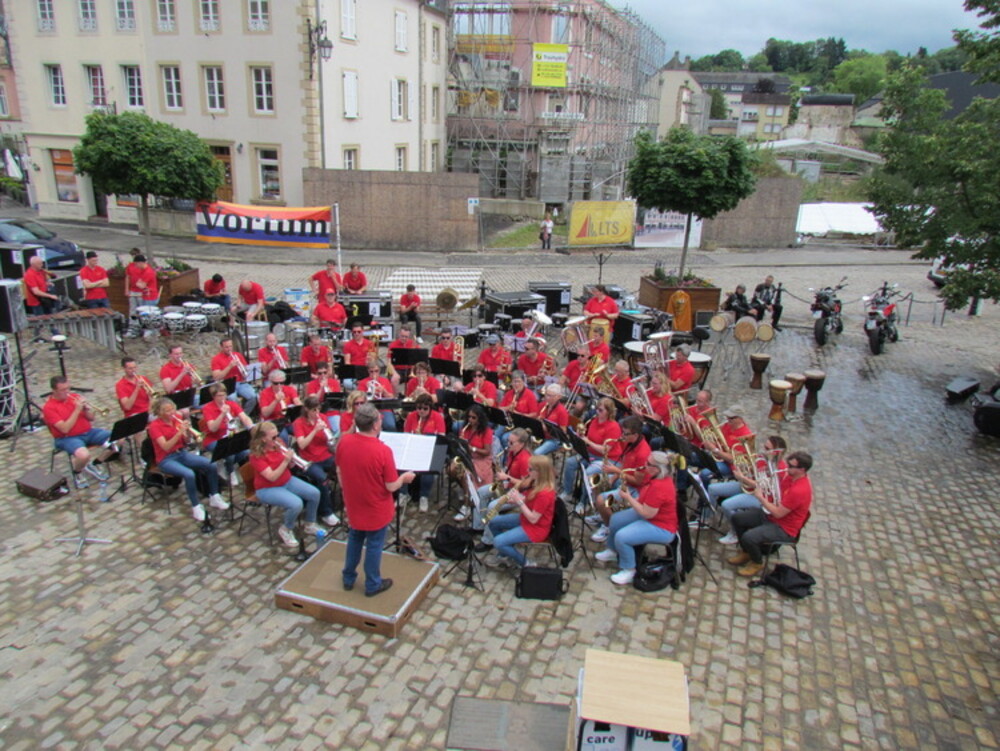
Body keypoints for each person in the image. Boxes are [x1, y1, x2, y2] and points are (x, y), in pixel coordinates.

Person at [336, 402, 416, 596]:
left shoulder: (344, 442)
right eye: (379, 419)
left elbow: (339, 470)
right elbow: (391, 486)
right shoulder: (382, 451)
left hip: (354, 501)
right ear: (374, 425)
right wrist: (404, 478)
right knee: (374, 545)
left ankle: (348, 577)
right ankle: (372, 584)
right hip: (375, 506)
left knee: (355, 538)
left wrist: (346, 491)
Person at [595, 451, 679, 586]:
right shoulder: (655, 477)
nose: (644, 464)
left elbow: (647, 514)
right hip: (649, 513)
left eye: (648, 463)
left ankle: (629, 569)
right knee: (616, 520)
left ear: (657, 469)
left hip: (660, 526)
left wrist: (628, 498)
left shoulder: (660, 487)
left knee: (622, 537)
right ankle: (612, 550)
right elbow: (644, 499)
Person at [728, 451, 813, 577]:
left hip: (784, 528)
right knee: (737, 518)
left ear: (802, 470)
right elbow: (773, 491)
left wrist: (761, 498)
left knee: (749, 537)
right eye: (788, 463)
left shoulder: (799, 490)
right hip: (771, 516)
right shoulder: (790, 477)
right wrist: (747, 480)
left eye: (791, 466)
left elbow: (778, 513)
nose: (787, 467)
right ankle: (747, 552)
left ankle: (757, 562)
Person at [147, 396, 227, 521]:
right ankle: (196, 507)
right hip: (166, 459)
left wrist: (188, 433)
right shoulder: (155, 426)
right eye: (167, 411)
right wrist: (179, 432)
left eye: (172, 409)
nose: (171, 413)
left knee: (211, 464)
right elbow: (165, 446)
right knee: (189, 474)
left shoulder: (176, 418)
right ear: (160, 413)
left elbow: (186, 442)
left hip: (181, 453)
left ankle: (214, 496)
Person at [249, 421, 322, 548]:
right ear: (263, 439)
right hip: (267, 488)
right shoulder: (256, 456)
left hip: (286, 480)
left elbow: (289, 466)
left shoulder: (278, 444)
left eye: (277, 435)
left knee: (314, 493)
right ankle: (286, 528)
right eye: (273, 437)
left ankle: (310, 524)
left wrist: (292, 461)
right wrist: (286, 461)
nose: (277, 439)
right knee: (296, 504)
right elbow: (271, 477)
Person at [485, 454, 557, 569]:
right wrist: (515, 499)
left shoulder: (545, 493)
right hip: (525, 519)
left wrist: (519, 501)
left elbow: (533, 519)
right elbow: (530, 501)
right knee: (493, 522)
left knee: (498, 542)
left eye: (530, 469)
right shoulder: (535, 482)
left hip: (536, 528)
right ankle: (505, 553)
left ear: (539, 472)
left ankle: (526, 563)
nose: (527, 471)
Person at [590, 415, 650, 543]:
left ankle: (609, 527)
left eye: (626, 434)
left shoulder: (643, 453)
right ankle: (602, 515)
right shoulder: (630, 443)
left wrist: (616, 471)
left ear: (635, 435)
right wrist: (613, 478)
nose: (622, 436)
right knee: (596, 484)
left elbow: (637, 481)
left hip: (635, 489)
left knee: (601, 500)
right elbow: (626, 465)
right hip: (624, 478)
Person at [717, 436, 788, 544]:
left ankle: (736, 532)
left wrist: (742, 478)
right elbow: (753, 474)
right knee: (713, 489)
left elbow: (763, 486)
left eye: (768, 449)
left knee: (726, 505)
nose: (764, 451)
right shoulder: (762, 459)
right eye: (765, 447)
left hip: (762, 498)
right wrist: (744, 467)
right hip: (749, 487)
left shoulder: (780, 469)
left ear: (776, 452)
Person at [43, 375, 112, 488]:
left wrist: (86, 410)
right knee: (84, 455)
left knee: (118, 438)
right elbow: (65, 429)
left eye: (68, 388)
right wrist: (76, 410)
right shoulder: (49, 408)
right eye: (63, 390)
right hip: (67, 438)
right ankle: (78, 472)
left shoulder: (75, 397)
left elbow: (91, 418)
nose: (67, 392)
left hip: (88, 432)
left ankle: (95, 463)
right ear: (54, 391)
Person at [476, 427, 532, 550]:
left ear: (522, 444)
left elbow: (526, 484)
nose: (508, 445)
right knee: (481, 492)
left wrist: (507, 478)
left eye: (511, 442)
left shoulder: (525, 459)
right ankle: (479, 526)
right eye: (508, 441)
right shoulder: (512, 452)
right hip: (508, 486)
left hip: (520, 494)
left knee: (492, 506)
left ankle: (488, 540)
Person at [559, 396, 622, 505]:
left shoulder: (614, 427)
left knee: (589, 473)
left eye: (601, 410)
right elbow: (589, 438)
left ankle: (583, 502)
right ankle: (567, 491)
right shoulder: (594, 420)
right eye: (597, 409)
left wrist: (588, 442)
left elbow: (605, 450)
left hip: (607, 459)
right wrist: (580, 438)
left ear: (609, 412)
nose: (597, 412)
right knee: (570, 463)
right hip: (591, 453)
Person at [292, 396, 341, 526]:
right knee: (322, 479)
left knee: (345, 466)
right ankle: (326, 513)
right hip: (310, 460)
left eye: (318, 409)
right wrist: (315, 430)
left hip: (325, 455)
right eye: (314, 410)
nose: (317, 413)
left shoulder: (323, 417)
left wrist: (327, 433)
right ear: (306, 409)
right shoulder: (299, 423)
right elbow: (301, 445)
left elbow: (329, 441)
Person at [201, 383, 254, 485]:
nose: (222, 398)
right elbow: (212, 428)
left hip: (230, 436)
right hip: (213, 439)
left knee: (246, 451)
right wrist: (222, 414)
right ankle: (230, 472)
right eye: (219, 396)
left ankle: (226, 464)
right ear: (213, 396)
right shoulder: (208, 408)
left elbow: (244, 417)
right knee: (229, 453)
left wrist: (251, 427)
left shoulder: (231, 404)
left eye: (224, 395)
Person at [401, 393, 446, 512]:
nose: (421, 411)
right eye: (419, 408)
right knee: (401, 462)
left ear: (430, 408)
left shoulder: (437, 417)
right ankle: (403, 493)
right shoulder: (411, 416)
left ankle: (424, 496)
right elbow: (406, 435)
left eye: (425, 408)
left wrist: (425, 437)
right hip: (414, 447)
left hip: (431, 449)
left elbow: (441, 437)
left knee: (430, 466)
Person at [456, 404, 494, 521]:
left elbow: (487, 451)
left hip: (481, 459)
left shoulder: (486, 431)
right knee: (452, 469)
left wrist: (472, 448)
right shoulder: (465, 429)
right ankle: (466, 490)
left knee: (465, 474)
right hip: (468, 457)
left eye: (473, 418)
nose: (470, 420)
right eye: (469, 417)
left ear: (479, 418)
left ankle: (467, 503)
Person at [210, 337, 256, 414]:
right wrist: (229, 366)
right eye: (226, 347)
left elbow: (246, 370)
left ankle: (244, 415)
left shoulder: (238, 355)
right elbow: (216, 377)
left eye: (230, 346)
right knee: (233, 399)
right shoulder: (216, 359)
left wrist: (244, 370)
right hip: (227, 384)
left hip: (240, 383)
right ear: (221, 347)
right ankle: (237, 416)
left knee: (253, 396)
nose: (229, 349)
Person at [305, 361, 343, 433]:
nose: (323, 375)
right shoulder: (311, 384)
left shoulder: (334, 382)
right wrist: (321, 388)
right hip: (317, 413)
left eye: (325, 373)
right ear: (316, 373)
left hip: (332, 412)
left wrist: (329, 390)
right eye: (320, 373)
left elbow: (336, 400)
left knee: (337, 431)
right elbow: (313, 401)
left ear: (328, 372)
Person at [535, 383, 569, 456]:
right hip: (541, 434)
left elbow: (563, 432)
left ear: (558, 397)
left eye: (550, 396)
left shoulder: (562, 411)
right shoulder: (542, 404)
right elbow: (535, 418)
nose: (547, 398)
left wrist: (546, 428)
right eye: (546, 394)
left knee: (536, 453)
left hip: (554, 439)